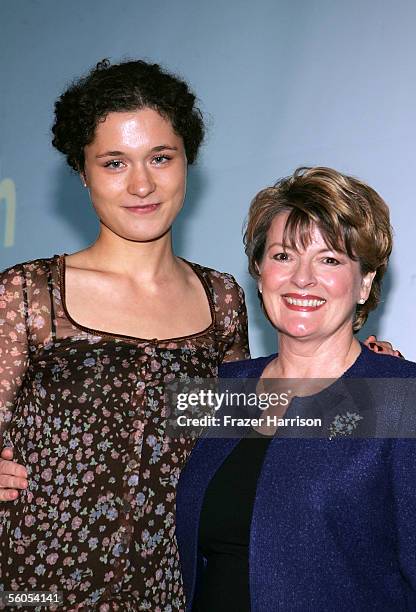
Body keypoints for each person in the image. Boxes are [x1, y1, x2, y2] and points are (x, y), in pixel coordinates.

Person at [0, 59, 250, 611]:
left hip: (174, 589)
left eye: (161, 157)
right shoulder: (28, 294)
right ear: (82, 173)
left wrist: (371, 374)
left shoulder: (223, 301)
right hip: (35, 590)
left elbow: (244, 440)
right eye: (114, 163)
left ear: (189, 162)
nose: (142, 184)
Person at [176, 167, 416, 611]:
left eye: (329, 259)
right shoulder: (225, 388)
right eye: (284, 256)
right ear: (259, 270)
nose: (301, 278)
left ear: (365, 282)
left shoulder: (401, 398)